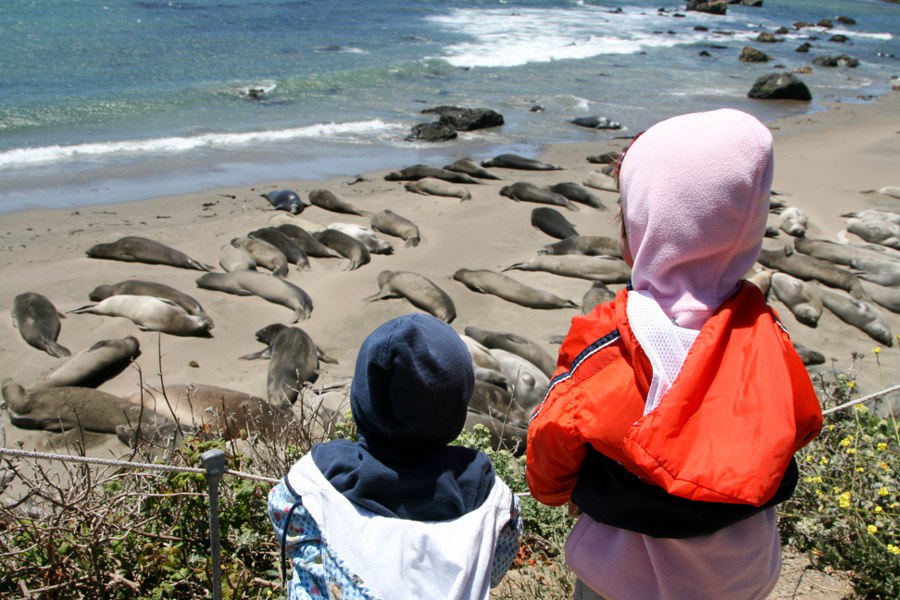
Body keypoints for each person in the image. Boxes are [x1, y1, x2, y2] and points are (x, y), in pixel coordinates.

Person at [526, 108, 823, 600]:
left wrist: (554, 493)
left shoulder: (611, 343)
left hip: (625, 582)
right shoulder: (767, 334)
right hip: (741, 576)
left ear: (640, 232)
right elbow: (801, 423)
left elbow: (555, 434)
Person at [269, 313, 522, 600]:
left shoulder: (315, 479)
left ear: (361, 399)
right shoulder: (488, 494)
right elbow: (498, 559)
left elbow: (285, 522)